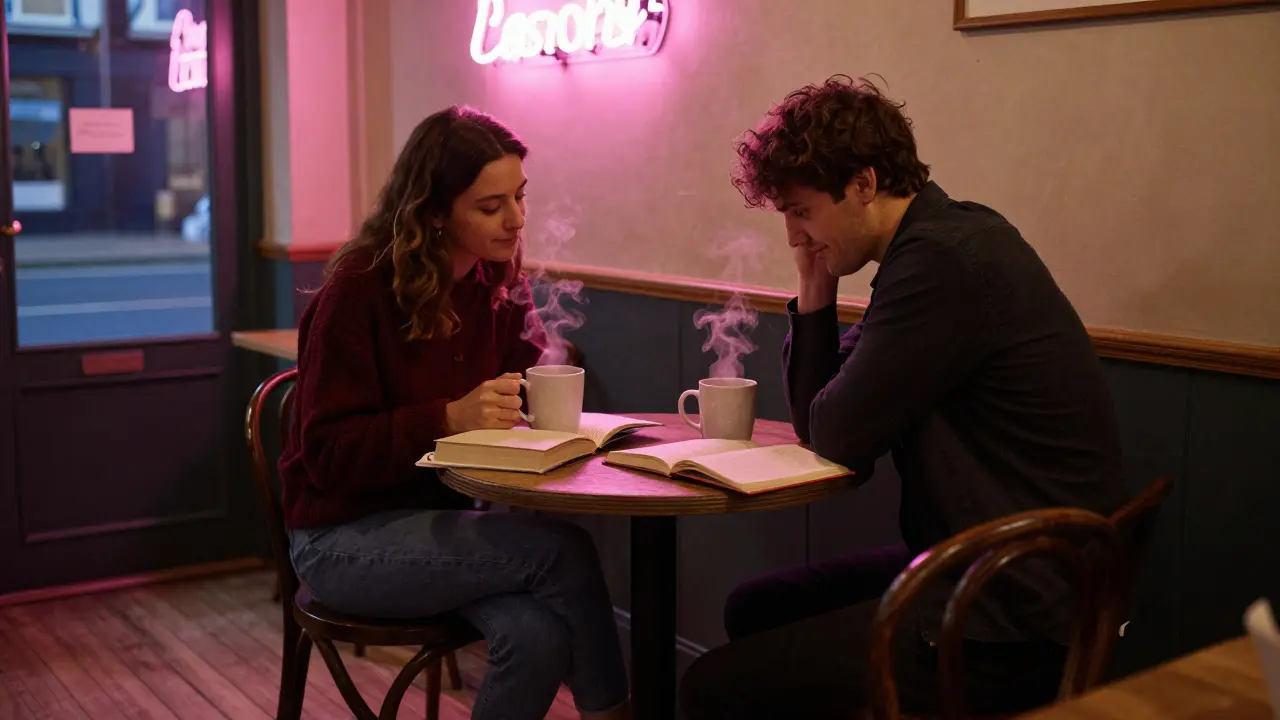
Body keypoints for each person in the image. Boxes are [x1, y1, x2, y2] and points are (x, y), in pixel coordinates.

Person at [678, 75, 1130, 718]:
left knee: (711, 688)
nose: (793, 237)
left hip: (1012, 611)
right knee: (758, 609)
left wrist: (821, 303)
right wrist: (815, 285)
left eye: (802, 212)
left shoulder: (942, 262)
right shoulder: (934, 247)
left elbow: (838, 435)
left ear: (863, 184)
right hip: (1002, 566)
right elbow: (819, 418)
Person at [278, 106, 632, 720]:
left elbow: (526, 372)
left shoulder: (496, 278)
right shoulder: (358, 290)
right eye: (491, 207)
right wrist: (445, 418)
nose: (516, 219)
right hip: (339, 540)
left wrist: (541, 392)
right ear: (436, 212)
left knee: (536, 637)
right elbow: (330, 456)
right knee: (561, 551)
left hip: (442, 530)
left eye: (520, 196)